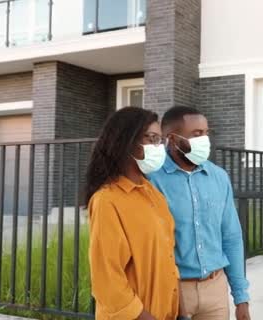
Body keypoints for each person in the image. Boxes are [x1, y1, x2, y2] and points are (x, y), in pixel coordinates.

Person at [148, 106, 251, 320]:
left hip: (215, 289)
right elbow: (149, 246)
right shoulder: (151, 179)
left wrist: (241, 298)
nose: (204, 139)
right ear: (172, 139)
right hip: (173, 291)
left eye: (206, 133)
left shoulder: (219, 177)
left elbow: (231, 237)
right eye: (196, 134)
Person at [86, 107, 179, 320]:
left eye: (161, 140)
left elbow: (168, 260)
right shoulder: (107, 200)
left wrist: (180, 312)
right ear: (127, 141)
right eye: (152, 138)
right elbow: (107, 280)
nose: (160, 147)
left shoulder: (154, 195)